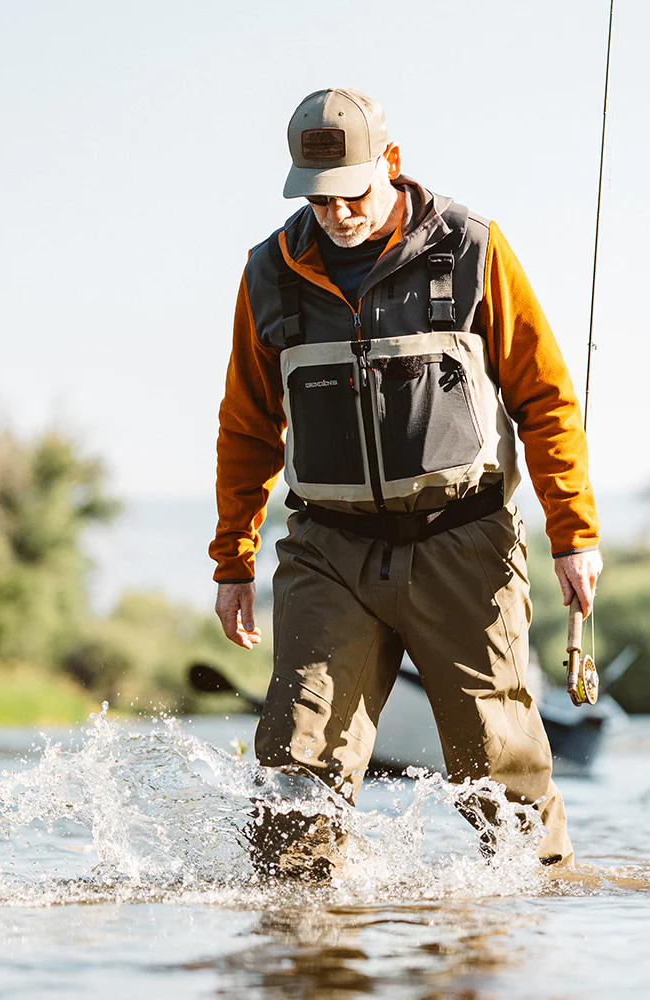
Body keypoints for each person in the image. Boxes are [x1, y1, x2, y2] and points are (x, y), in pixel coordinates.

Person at [210, 88, 602, 876]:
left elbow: (545, 397)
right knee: (295, 777)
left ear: (389, 163)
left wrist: (574, 534)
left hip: (466, 542)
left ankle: (533, 931)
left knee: (501, 774)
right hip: (328, 552)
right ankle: (304, 961)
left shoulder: (472, 249)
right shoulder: (269, 274)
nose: (337, 211)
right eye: (318, 197)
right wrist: (233, 561)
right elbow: (247, 428)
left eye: (352, 191)